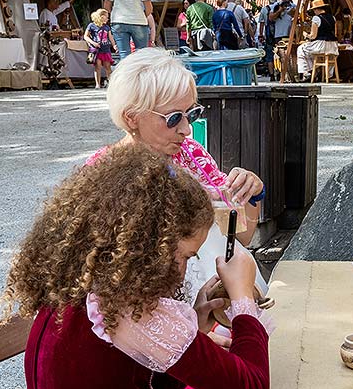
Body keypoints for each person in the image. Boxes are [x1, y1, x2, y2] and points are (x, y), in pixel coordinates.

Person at [1, 143, 270, 389]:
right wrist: (243, 295)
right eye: (186, 256)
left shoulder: (80, 279)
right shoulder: (132, 309)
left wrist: (194, 327)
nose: (185, 270)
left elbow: (132, 382)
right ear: (149, 247)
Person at [92, 48, 265, 244]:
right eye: (173, 118)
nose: (187, 129)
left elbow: (241, 236)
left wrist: (253, 192)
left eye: (191, 114)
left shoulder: (191, 154)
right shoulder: (101, 172)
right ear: (131, 117)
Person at [297, 0, 339, 81]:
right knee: (311, 54)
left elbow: (313, 36)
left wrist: (305, 34)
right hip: (333, 45)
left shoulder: (316, 18)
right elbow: (335, 32)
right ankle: (317, 72)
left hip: (321, 45)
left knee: (301, 49)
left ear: (316, 9)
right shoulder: (333, 18)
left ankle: (306, 72)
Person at [83, 9, 117, 89]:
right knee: (97, 66)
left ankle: (110, 83)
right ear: (101, 17)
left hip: (106, 49)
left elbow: (110, 37)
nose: (108, 19)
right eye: (107, 17)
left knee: (107, 66)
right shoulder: (91, 25)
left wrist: (114, 45)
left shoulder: (106, 27)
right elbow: (85, 36)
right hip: (97, 50)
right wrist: (93, 43)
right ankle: (97, 84)